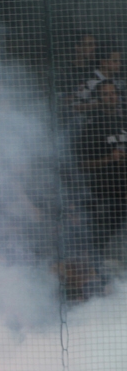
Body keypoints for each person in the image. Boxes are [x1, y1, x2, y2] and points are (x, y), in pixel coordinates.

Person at [75, 79, 127, 258]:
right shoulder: (91, 126)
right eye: (106, 94)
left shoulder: (124, 121)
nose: (111, 97)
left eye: (113, 93)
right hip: (104, 195)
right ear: (99, 98)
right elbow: (82, 164)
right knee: (102, 239)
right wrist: (109, 159)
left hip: (124, 192)